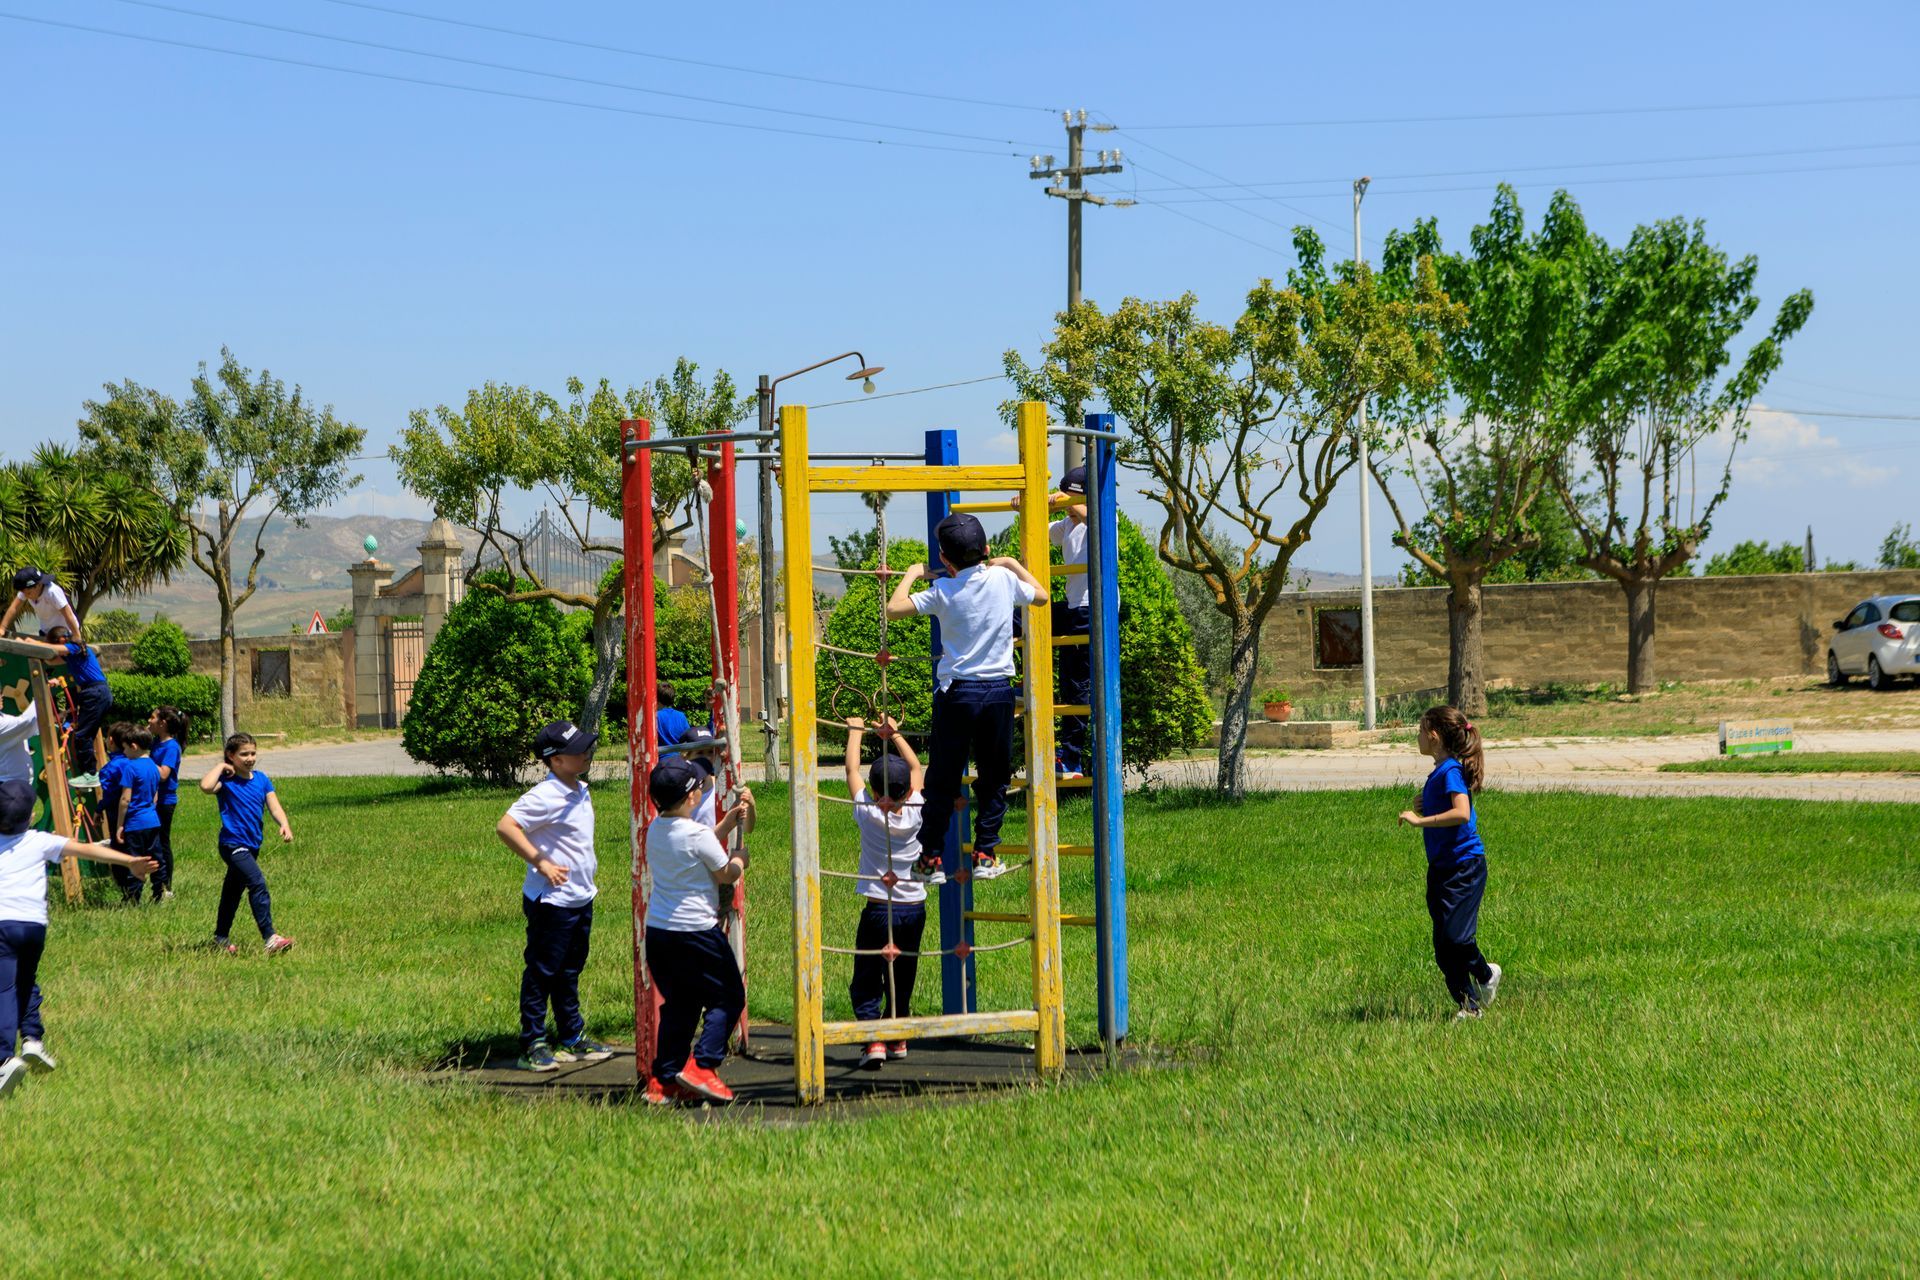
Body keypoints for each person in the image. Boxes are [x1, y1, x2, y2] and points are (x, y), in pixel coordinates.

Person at [885, 512, 1046, 885]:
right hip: (998, 693)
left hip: (958, 694)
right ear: (986, 550)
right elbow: (1041, 596)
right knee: (994, 777)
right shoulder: (1004, 579)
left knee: (942, 779)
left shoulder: (943, 591)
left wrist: (912, 573)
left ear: (944, 560)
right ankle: (986, 854)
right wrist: (1011, 563)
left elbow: (894, 609)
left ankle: (929, 859)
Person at [0, 779, 158, 1098]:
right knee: (26, 981)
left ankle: (4, 1058)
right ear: (31, 815)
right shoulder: (40, 840)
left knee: (3, 988)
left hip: (2, 925)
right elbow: (84, 849)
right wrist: (130, 862)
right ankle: (32, 1039)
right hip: (34, 926)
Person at [496, 720, 615, 1073]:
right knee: (542, 971)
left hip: (579, 897)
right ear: (556, 760)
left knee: (570, 970)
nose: (586, 753)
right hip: (552, 901)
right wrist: (541, 861)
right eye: (578, 750)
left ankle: (571, 1035)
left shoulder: (579, 788)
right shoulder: (545, 795)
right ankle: (532, 1041)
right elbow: (506, 826)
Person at [641, 757, 754, 1105]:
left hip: (660, 932)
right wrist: (740, 858)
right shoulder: (697, 835)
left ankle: (663, 1081)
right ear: (691, 797)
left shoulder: (654, 829)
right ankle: (702, 1065)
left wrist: (725, 824)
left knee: (681, 1005)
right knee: (729, 996)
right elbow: (724, 874)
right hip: (697, 933)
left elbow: (696, 849)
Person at [1397, 705, 1502, 1020]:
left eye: (1419, 731)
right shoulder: (1440, 771)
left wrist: (1420, 820)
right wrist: (1425, 802)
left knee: (1457, 938)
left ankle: (1485, 974)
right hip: (1442, 869)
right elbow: (1447, 803)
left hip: (1465, 867)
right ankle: (1469, 1007)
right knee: (1444, 947)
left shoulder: (1452, 771)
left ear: (1434, 736)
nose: (1416, 737)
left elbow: (1461, 813)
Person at [842, 715, 926, 1070]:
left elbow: (850, 771)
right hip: (913, 909)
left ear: (874, 793)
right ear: (908, 792)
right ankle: (898, 1033)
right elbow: (917, 767)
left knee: (866, 974)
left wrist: (855, 732)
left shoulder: (868, 813)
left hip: (878, 908)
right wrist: (895, 733)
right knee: (902, 972)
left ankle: (873, 1037)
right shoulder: (917, 812)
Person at [1014, 465, 1091, 778]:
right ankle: (1022, 680)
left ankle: (1071, 760)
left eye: (1069, 499)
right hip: (1072, 607)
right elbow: (1039, 528)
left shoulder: (1101, 519)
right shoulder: (1068, 525)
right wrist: (1026, 505)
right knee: (1021, 614)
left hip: (1089, 610)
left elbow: (1092, 516)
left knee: (1075, 686)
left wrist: (1065, 502)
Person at [199, 733, 296, 956]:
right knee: (257, 883)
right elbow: (205, 786)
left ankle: (220, 938)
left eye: (253, 753)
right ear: (231, 756)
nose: (250, 758)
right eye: (244, 754)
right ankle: (270, 938)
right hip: (232, 844)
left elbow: (274, 807)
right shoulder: (225, 782)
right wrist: (221, 766)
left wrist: (284, 824)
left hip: (252, 846)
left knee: (232, 892)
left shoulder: (261, 779)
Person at [13, 626, 112, 785]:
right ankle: (92, 773)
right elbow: (49, 659)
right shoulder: (71, 655)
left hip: (95, 692)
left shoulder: (75, 647)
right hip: (95, 693)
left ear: (60, 641)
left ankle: (90, 774)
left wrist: (28, 642)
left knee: (82, 735)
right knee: (85, 734)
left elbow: (51, 649)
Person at [115, 727, 164, 908]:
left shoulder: (130, 767)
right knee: (155, 858)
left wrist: (120, 825)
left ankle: (132, 898)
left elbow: (125, 799)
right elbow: (155, 796)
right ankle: (159, 891)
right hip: (152, 820)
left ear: (134, 746)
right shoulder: (153, 765)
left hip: (135, 823)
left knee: (136, 860)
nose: (124, 752)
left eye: (125, 748)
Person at [146, 707, 187, 901]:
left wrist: (144, 759)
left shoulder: (171, 747)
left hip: (164, 801)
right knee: (154, 842)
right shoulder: (156, 742)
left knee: (162, 843)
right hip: (153, 799)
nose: (149, 720)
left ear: (162, 723)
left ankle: (166, 885)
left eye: (153, 717)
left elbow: (163, 774)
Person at [2, 568, 82, 642]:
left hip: (65, 634)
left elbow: (68, 614)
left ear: (39, 585)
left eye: (29, 593)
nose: (26, 596)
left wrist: (77, 636)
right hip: (47, 633)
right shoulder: (26, 590)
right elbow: (14, 608)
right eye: (23, 593)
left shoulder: (52, 592)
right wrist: (2, 628)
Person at [655, 683, 690, 750]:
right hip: (679, 757)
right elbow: (688, 737)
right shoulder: (681, 716)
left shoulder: (655, 717)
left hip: (661, 757)